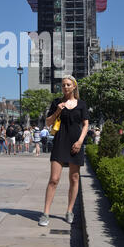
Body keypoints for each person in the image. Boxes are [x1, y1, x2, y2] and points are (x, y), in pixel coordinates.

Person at [38, 75, 89, 227]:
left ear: (74, 86)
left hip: (76, 142)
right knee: (54, 179)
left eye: (68, 84)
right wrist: (56, 112)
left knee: (74, 178)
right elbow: (47, 122)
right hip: (60, 142)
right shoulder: (57, 103)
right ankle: (46, 213)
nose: (65, 87)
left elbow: (86, 125)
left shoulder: (82, 104)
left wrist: (80, 141)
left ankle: (69, 210)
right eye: (63, 85)